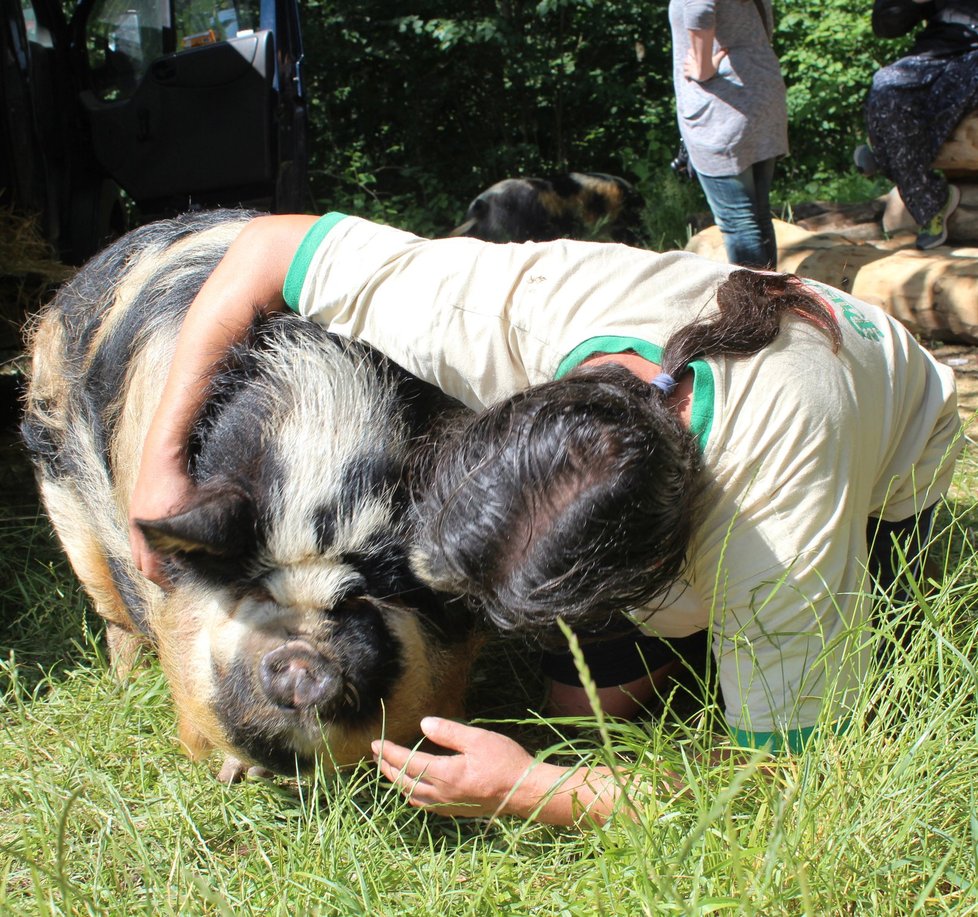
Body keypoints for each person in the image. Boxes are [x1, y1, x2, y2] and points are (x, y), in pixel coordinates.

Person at [129, 212, 961, 827]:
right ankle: (645, 658)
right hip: (733, 370)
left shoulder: (774, 537)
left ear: (654, 572)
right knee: (575, 719)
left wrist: (534, 790)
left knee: (847, 663)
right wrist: (159, 460)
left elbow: (787, 792)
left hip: (894, 435)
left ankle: (707, 642)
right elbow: (268, 247)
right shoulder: (507, 313)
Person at [669, 0, 789, 269]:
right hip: (761, 96)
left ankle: (756, 307)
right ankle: (773, 298)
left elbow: (699, 7)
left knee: (739, 223)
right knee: (757, 216)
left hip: (723, 108)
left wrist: (702, 66)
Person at [858, 0, 978, 250]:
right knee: (886, 84)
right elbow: (884, 25)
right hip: (935, 55)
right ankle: (933, 203)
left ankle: (882, 154)